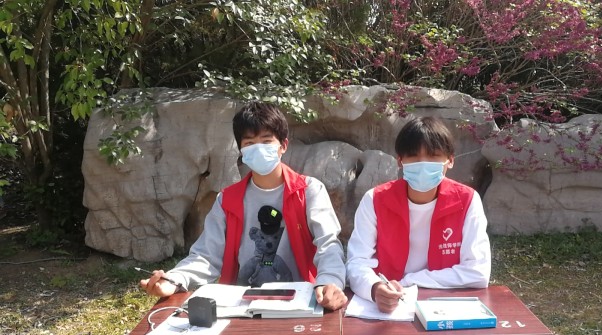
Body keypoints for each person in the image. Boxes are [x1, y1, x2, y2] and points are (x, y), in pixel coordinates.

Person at [140, 102, 348, 310]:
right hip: (241, 304)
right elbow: (206, 255)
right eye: (249, 143)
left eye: (266, 141)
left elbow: (328, 244)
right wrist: (174, 279)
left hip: (299, 302)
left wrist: (330, 281)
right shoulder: (227, 200)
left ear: (283, 145)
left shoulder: (308, 191)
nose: (258, 148)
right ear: (241, 150)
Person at [346, 117, 491, 313]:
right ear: (400, 161)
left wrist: (410, 281)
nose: (423, 164)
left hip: (443, 305)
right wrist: (375, 288)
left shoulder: (466, 200)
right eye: (413, 156)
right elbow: (357, 262)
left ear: (450, 160)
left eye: (433, 156)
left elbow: (478, 271)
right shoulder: (375, 200)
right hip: (388, 306)